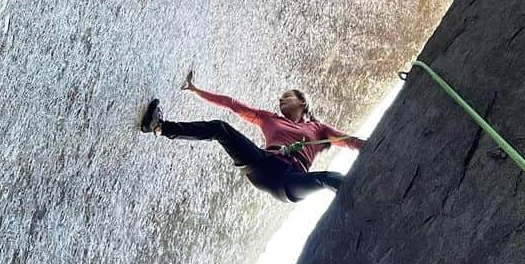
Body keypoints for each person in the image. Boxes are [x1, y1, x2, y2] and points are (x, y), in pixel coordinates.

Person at [139, 70, 364, 203]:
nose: (281, 100)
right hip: (264, 165)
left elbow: (349, 141)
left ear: (302, 102)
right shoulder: (269, 118)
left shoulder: (319, 129)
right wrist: (197, 90)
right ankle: (159, 127)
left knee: (330, 178)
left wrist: (370, 146)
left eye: (287, 97)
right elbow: (233, 105)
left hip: (289, 181)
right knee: (220, 128)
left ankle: (361, 203)